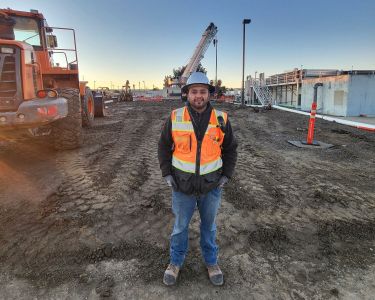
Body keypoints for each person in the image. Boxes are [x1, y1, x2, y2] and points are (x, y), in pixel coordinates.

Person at [158, 72, 237, 286]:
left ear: (209, 94)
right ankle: (175, 263)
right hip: (181, 186)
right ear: (187, 94)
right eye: (194, 91)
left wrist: (226, 176)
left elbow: (230, 149)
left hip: (211, 186)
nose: (198, 96)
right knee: (180, 227)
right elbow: (163, 146)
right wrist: (167, 173)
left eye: (203, 91)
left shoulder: (221, 119)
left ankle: (212, 263)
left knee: (209, 227)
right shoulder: (175, 117)